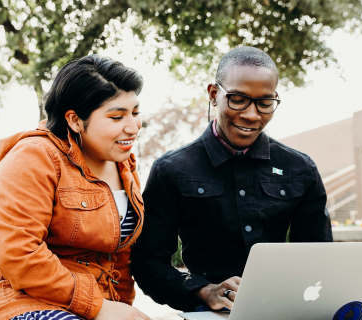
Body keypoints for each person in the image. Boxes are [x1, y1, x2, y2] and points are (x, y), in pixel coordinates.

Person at [131, 46, 333, 313]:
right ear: (214, 94)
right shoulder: (171, 170)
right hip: (209, 313)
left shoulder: (300, 168)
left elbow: (319, 258)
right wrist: (203, 290)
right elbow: (147, 263)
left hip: (286, 309)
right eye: (238, 99)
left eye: (265, 102)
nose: (252, 115)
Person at [0, 55, 151, 320]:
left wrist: (123, 310)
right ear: (74, 119)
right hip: (12, 297)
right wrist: (100, 307)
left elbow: (119, 259)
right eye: (117, 117)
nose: (133, 126)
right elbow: (18, 254)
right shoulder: (34, 157)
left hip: (87, 303)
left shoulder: (124, 165)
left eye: (136, 113)